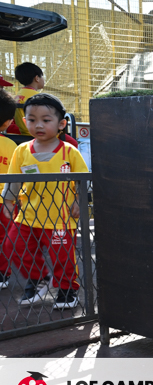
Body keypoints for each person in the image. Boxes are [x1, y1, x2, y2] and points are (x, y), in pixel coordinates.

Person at [2, 93, 89, 309]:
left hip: (60, 218)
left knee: (62, 256)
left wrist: (79, 200)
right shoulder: (22, 151)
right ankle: (39, 277)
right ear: (25, 121)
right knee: (13, 245)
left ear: (61, 124)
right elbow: (13, 179)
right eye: (32, 120)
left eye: (46, 120)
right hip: (27, 216)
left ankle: (67, 289)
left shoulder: (69, 151)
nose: (38, 125)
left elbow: (83, 180)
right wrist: (8, 201)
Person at [0, 91, 18, 289]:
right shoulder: (11, 145)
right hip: (5, 200)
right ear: (7, 122)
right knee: (5, 238)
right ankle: (3, 274)